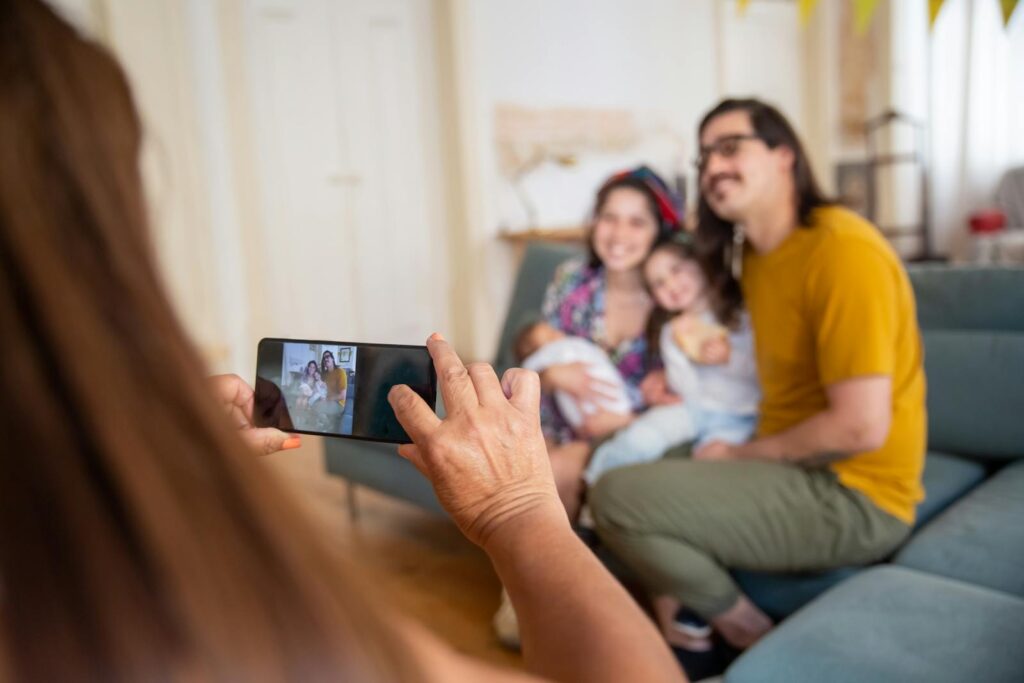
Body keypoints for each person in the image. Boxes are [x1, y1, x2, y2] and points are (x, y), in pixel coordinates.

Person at [0, 2, 686, 681]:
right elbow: (539, 336)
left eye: (636, 223)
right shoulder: (206, 617)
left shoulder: (672, 293)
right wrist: (520, 510)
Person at [592, 98, 926, 653]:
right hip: (781, 450)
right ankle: (678, 624)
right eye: (704, 158)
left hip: (854, 491)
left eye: (730, 148)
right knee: (620, 454)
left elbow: (859, 430)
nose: (714, 167)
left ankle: (744, 629)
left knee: (615, 497)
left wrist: (735, 457)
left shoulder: (842, 251)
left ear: (783, 156)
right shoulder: (756, 257)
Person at [538, 165, 685, 519]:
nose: (619, 234)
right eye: (609, 218)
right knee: (515, 465)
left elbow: (695, 399)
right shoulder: (571, 281)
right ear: (594, 222)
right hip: (553, 417)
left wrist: (625, 424)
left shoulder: (676, 297)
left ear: (659, 233)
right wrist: (554, 376)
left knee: (560, 472)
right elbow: (539, 361)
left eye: (637, 222)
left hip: (631, 430)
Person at [582, 236, 759, 491]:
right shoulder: (671, 332)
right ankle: (595, 479)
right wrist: (678, 348)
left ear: (699, 263)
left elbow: (762, 371)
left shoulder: (739, 314)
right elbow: (684, 388)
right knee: (642, 435)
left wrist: (729, 357)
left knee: (711, 460)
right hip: (694, 408)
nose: (672, 285)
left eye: (676, 270)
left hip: (741, 413)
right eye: (659, 284)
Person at [515, 320, 632, 430]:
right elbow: (530, 366)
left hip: (617, 413)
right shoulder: (551, 355)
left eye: (553, 330)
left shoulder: (571, 344)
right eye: (550, 337)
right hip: (594, 418)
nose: (558, 334)